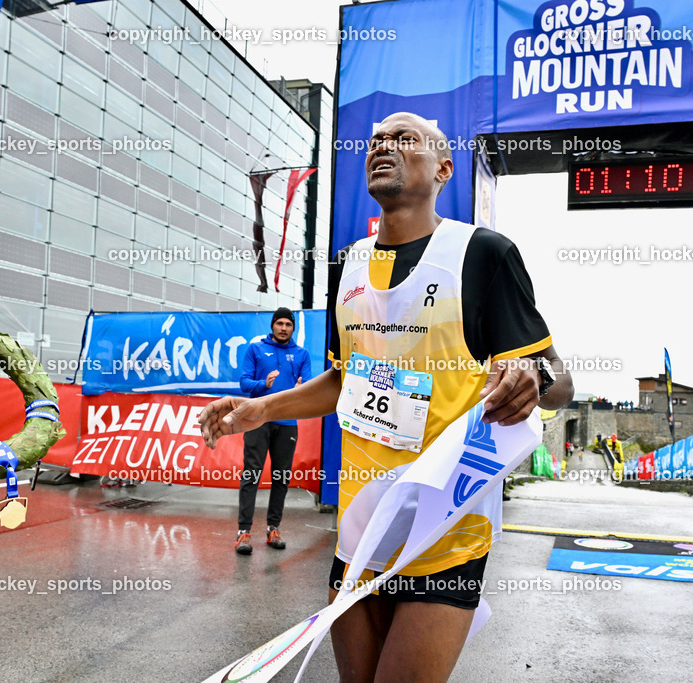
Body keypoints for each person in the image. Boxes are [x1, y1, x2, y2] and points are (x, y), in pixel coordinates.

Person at [201, 112, 573, 682]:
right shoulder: (348, 264)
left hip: (443, 531)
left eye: (404, 139)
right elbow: (344, 379)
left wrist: (531, 375)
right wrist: (263, 408)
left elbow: (559, 381)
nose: (384, 147)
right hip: (361, 529)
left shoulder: (482, 255)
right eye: (377, 141)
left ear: (443, 169)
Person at [233, 307, 313, 555]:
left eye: (288, 324)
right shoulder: (256, 349)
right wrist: (263, 384)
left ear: (293, 328)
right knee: (251, 474)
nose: (283, 328)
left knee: (281, 477)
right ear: (272, 325)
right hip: (257, 420)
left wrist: (302, 389)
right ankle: (243, 532)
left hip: (287, 423)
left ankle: (273, 529)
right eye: (279, 323)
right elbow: (244, 383)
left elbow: (308, 386)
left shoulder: (302, 354)